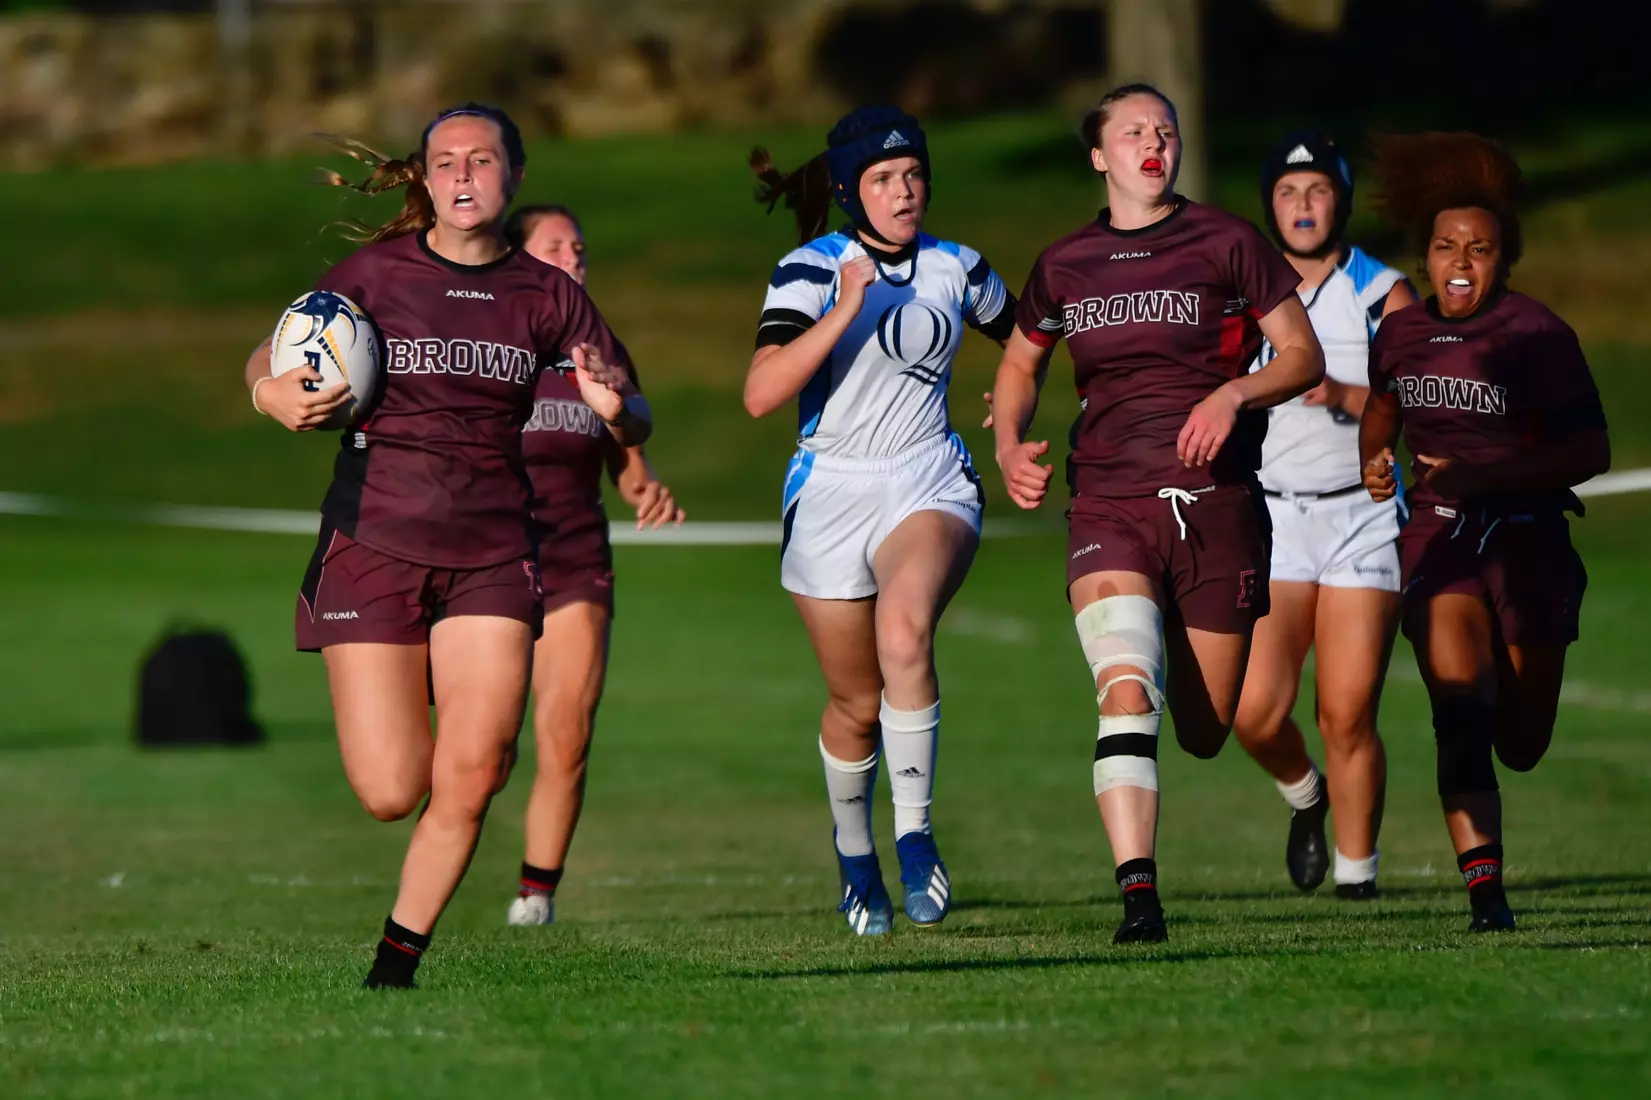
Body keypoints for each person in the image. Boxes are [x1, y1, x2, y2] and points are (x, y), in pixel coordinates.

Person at [244, 103, 650, 987]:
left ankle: (394, 969)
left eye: (482, 160)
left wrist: (621, 409)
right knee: (392, 791)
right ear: (425, 180)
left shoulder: (550, 295)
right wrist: (267, 392)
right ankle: (409, 680)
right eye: (446, 162)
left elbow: (631, 399)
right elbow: (272, 350)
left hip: (496, 555)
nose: (463, 175)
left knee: (474, 772)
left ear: (515, 175)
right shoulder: (376, 274)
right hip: (373, 544)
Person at [991, 84, 1325, 944]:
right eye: (1133, 131)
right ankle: (1139, 897)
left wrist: (1232, 394)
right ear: (1099, 157)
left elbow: (1300, 355)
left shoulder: (1225, 240)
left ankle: (1305, 793)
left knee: (1209, 729)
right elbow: (1022, 362)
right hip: (1108, 499)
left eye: (1166, 130)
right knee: (1125, 689)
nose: (1154, 142)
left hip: (1217, 508)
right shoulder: (1064, 263)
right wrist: (1008, 445)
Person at [745, 105, 1015, 935]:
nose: (904, 194)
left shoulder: (959, 268)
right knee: (855, 703)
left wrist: (1009, 422)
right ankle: (855, 855)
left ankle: (914, 836)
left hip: (925, 478)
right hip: (828, 492)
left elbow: (1032, 340)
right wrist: (841, 307)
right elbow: (760, 394)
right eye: (883, 181)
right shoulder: (809, 268)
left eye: (913, 176)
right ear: (848, 191)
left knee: (905, 634)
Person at [1360, 132, 1609, 932]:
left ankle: (1489, 845)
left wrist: (1486, 475)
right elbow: (1383, 405)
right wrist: (1373, 455)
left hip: (1529, 541)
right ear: (1424, 258)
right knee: (1458, 712)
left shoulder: (1537, 334)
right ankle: (1485, 896)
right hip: (1438, 539)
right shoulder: (1397, 333)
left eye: (1478, 247)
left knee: (1522, 741)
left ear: (1503, 258)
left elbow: (1590, 451)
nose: (1459, 259)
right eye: (1444, 246)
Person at [1229, 133, 1417, 899]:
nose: (1302, 206)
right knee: (1253, 714)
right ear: (1268, 204)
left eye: (1316, 190)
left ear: (1338, 199)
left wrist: (1346, 397)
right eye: (1286, 192)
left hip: (1362, 518)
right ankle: (1304, 796)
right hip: (1273, 518)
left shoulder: (1381, 292)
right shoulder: (1244, 293)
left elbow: (1416, 393)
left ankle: (1356, 878)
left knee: (1346, 710)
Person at [501, 203, 685, 926]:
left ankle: (535, 896)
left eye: (581, 247)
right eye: (556, 248)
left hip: (576, 560)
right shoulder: (489, 340)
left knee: (567, 731)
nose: (575, 259)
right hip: (485, 564)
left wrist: (649, 490)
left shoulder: (599, 350)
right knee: (482, 746)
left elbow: (628, 463)